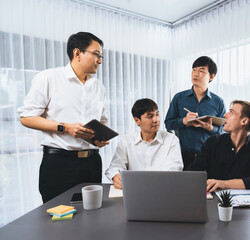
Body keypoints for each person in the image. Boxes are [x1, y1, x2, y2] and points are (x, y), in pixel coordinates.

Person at [17, 32, 109, 203]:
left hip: (92, 163)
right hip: (59, 163)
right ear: (77, 53)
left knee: (92, 217)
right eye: (96, 54)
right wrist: (66, 128)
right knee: (58, 220)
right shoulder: (49, 77)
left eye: (101, 56)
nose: (100, 61)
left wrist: (100, 137)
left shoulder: (98, 86)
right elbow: (27, 117)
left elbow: (103, 119)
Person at [188, 100, 250, 192]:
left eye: (231, 112)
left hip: (246, 204)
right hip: (214, 202)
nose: (225, 115)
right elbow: (192, 173)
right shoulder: (213, 142)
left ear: (244, 121)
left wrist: (224, 184)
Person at [105, 98, 183, 189]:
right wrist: (116, 176)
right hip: (134, 191)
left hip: (162, 190)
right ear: (137, 120)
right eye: (150, 116)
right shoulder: (126, 141)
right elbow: (115, 166)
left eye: (157, 114)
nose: (155, 120)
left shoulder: (171, 140)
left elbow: (174, 169)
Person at [165, 56, 226, 170]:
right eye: (194, 69)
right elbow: (168, 124)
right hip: (182, 155)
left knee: (207, 187)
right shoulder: (179, 97)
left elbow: (224, 130)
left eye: (201, 71)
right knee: (182, 187)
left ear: (211, 76)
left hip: (209, 156)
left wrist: (210, 127)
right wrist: (184, 121)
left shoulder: (218, 102)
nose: (195, 74)